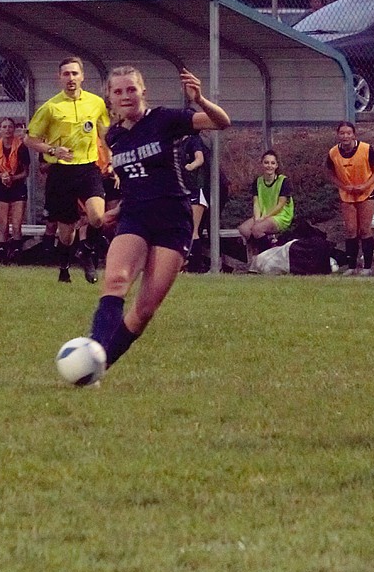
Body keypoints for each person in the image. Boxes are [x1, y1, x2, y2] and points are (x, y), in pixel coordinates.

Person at [86, 66, 230, 375]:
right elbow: (136, 181)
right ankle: (92, 354)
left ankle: (101, 364)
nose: (126, 96)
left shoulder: (165, 119)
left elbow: (222, 122)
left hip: (173, 219)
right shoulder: (114, 136)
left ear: (142, 91)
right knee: (115, 281)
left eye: (131, 89)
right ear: (109, 98)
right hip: (135, 216)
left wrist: (201, 99)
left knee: (144, 309)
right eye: (118, 91)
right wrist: (119, 210)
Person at [24, 57, 111, 283]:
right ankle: (64, 268)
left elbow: (105, 135)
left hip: (88, 167)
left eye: (74, 74)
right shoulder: (50, 107)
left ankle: (87, 250)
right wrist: (53, 149)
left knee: (97, 217)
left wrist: (111, 161)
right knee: (66, 230)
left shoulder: (96, 103)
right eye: (66, 74)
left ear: (82, 76)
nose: (71, 78)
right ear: (59, 78)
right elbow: (30, 140)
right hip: (62, 172)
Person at [326, 122, 374, 276]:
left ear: (354, 135)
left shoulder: (366, 149)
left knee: (364, 229)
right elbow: (330, 173)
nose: (345, 136)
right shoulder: (333, 153)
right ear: (338, 135)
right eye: (342, 133)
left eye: (348, 133)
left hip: (367, 190)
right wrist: (343, 186)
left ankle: (367, 267)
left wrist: (365, 185)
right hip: (348, 193)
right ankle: (351, 266)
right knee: (351, 230)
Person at [237, 150, 295, 262]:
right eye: (266, 162)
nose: (269, 166)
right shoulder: (258, 181)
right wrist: (258, 218)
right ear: (262, 164)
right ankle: (263, 250)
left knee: (257, 229)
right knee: (244, 229)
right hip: (264, 214)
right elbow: (256, 203)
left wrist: (264, 218)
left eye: (272, 163)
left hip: (280, 215)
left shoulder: (283, 181)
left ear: (277, 165)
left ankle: (269, 258)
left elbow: (281, 204)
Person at [0, 117, 30, 263]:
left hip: (17, 187)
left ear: (14, 129)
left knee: (16, 224)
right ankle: (3, 255)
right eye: (4, 127)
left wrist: (13, 177)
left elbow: (26, 172)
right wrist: (2, 176)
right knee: (4, 225)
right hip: (1, 187)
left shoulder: (21, 147)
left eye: (10, 127)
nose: (7, 130)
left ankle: (17, 254)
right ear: (0, 129)